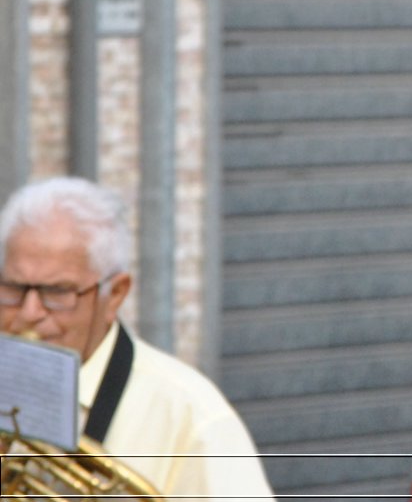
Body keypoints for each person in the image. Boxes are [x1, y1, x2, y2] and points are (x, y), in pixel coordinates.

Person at [0, 176, 274, 501]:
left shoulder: (195, 418)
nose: (29, 313)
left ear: (114, 295)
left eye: (58, 292)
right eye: (13, 288)